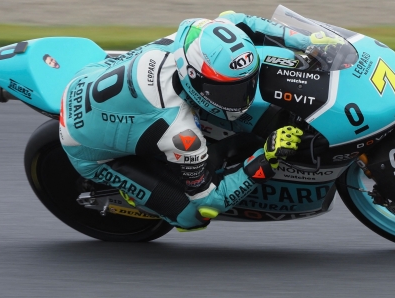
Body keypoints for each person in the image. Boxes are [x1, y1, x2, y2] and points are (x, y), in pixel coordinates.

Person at [59, 11, 339, 231]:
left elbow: (236, 20)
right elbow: (209, 203)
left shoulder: (197, 31)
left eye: (245, 84)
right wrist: (266, 157)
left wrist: (305, 40)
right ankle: (136, 193)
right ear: (194, 78)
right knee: (192, 216)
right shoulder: (181, 135)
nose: (243, 97)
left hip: (92, 75)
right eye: (228, 91)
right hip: (86, 147)